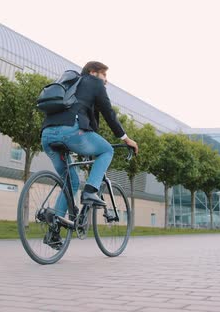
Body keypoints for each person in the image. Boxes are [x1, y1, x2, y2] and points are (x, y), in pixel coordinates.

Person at [41, 61, 138, 247]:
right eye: (104, 76)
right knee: (107, 150)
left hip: (47, 135)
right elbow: (109, 113)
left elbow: (92, 122)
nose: (106, 81)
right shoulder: (94, 83)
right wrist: (126, 139)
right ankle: (91, 190)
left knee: (71, 182)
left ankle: (54, 231)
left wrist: (89, 142)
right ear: (93, 73)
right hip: (71, 132)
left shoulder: (73, 85)